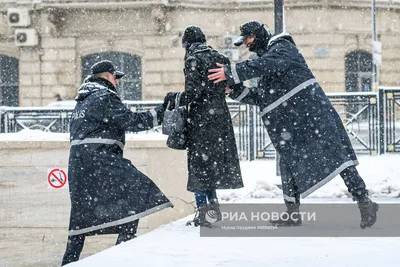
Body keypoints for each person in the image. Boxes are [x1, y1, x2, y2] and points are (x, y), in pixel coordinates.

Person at [208, 21, 378, 228]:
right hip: (292, 126)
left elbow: (269, 64)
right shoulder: (265, 65)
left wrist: (231, 72)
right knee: (288, 164)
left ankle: (364, 202)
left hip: (316, 118)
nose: (247, 45)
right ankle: (292, 214)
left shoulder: (283, 48)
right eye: (244, 42)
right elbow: (262, 98)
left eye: (249, 39)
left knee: (339, 159)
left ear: (259, 35)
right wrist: (233, 90)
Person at [62, 60, 173, 265]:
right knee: (137, 189)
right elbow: (133, 121)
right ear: (105, 76)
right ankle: (125, 246)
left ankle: (69, 261)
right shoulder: (104, 96)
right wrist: (162, 110)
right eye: (115, 77)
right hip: (100, 160)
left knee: (81, 216)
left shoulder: (82, 100)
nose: (117, 82)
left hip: (79, 165)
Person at [166, 26, 243, 227]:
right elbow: (229, 87)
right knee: (211, 164)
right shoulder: (220, 57)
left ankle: (203, 213)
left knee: (199, 166)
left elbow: (193, 93)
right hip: (221, 117)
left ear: (187, 44)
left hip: (201, 119)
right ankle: (214, 209)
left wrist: (174, 98)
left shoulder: (193, 59)